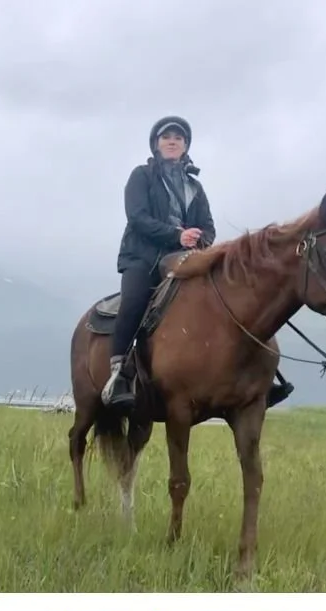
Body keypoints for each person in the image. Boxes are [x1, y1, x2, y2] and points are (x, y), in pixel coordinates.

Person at [102, 115, 215, 406]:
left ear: (186, 145)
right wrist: (177, 235)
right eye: (166, 137)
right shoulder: (141, 175)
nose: (172, 141)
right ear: (156, 144)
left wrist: (199, 239)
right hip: (142, 257)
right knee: (135, 300)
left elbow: (209, 227)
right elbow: (137, 218)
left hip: (183, 259)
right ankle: (119, 373)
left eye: (178, 137)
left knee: (222, 297)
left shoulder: (195, 187)